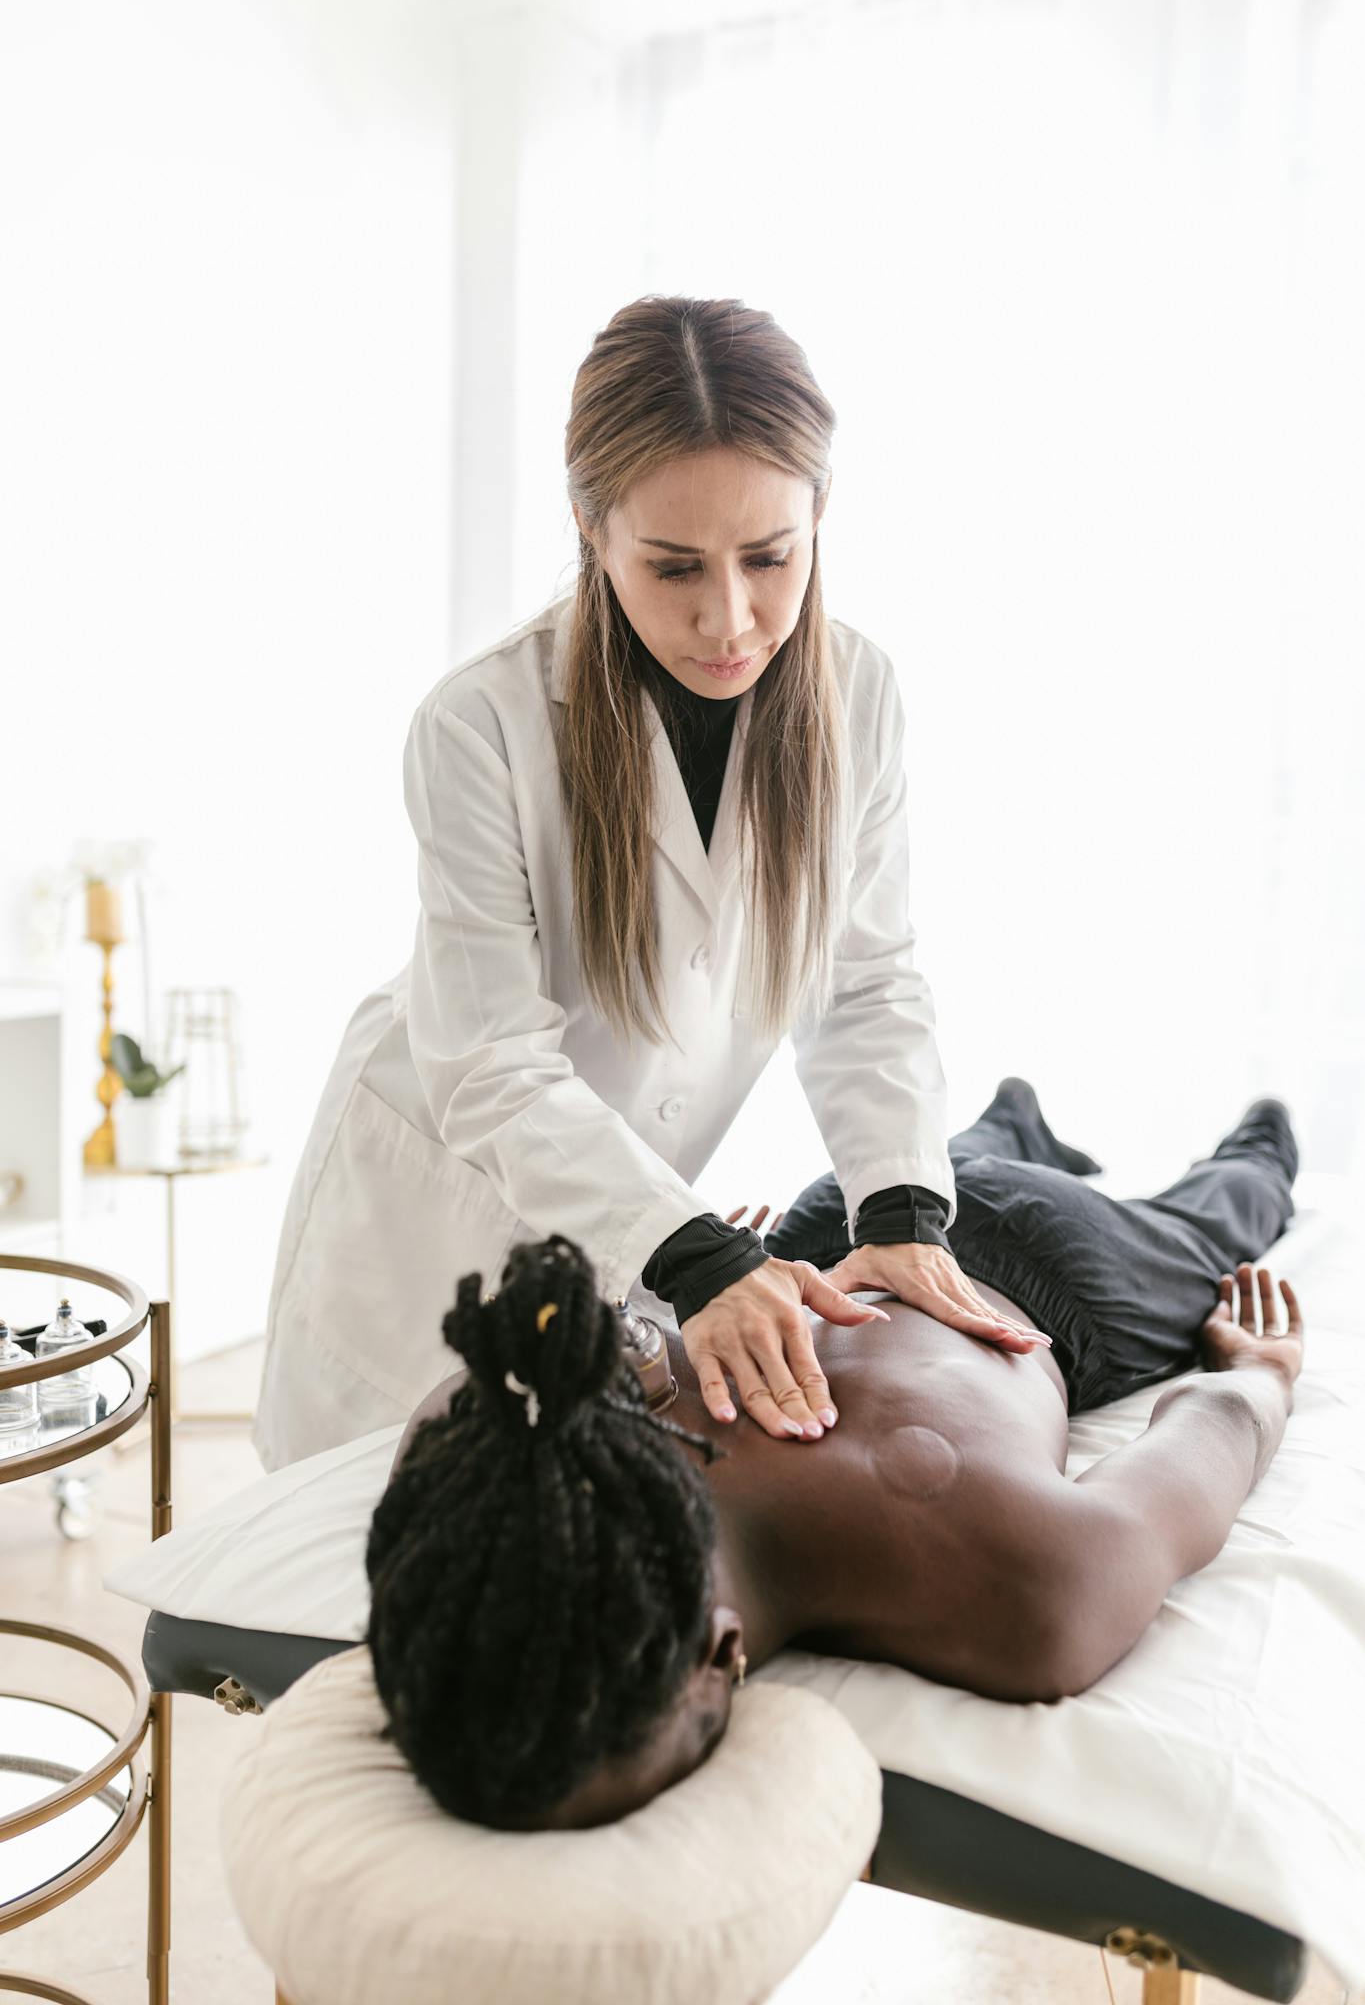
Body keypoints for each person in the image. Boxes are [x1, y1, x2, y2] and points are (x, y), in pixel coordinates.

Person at [254, 294, 1023, 1472]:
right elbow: (495, 1069)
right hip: (427, 1209)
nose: (731, 618)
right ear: (589, 529)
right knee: (350, 1543)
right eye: (674, 567)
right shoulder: (481, 726)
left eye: (772, 557)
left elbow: (863, 981)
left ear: (824, 513)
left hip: (620, 1225)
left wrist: (904, 1213)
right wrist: (703, 1255)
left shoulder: (860, 696)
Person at [365, 1081, 1303, 1833]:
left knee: (1212, 1220)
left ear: (723, 1654)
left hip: (1046, 1268)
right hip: (812, 1237)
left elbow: (1213, 1426)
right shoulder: (491, 1428)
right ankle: (1010, 1119)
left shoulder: (1035, 1599)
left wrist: (1258, 1372)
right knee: (968, 1166)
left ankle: (1258, 1140)